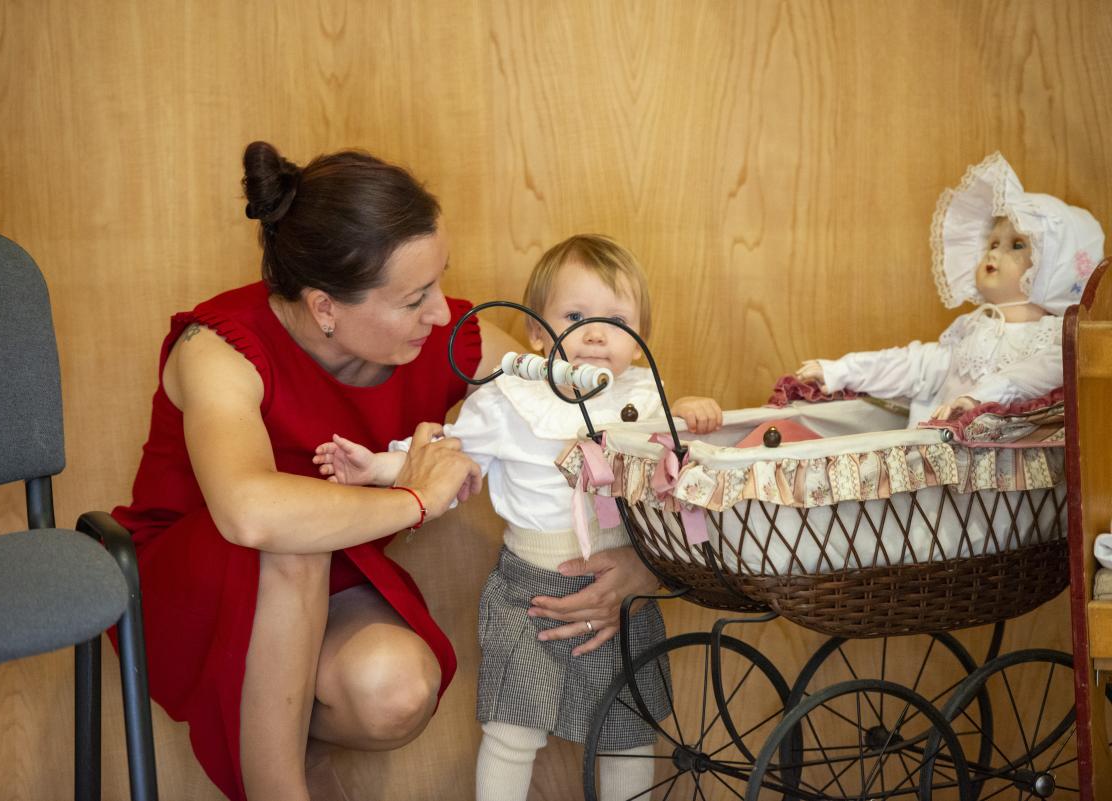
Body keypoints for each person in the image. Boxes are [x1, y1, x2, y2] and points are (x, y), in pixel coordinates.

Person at [110, 144, 662, 801]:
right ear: (325, 308)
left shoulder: (444, 338)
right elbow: (250, 513)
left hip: (331, 575)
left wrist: (642, 565)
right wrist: (417, 498)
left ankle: (280, 737)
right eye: (414, 298)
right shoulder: (218, 348)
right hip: (192, 586)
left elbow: (583, 426)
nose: (442, 312)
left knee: (396, 691)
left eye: (440, 281)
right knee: (294, 536)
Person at [314, 234, 723, 801]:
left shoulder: (644, 398)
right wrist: (379, 466)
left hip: (621, 591)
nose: (595, 334)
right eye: (575, 317)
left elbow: (672, 475)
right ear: (537, 332)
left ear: (640, 339)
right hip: (530, 589)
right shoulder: (511, 399)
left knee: (628, 731)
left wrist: (690, 415)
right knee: (512, 728)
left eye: (616, 322)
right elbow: (447, 457)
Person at [796, 151, 1105, 425]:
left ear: (1053, 265)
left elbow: (1025, 379)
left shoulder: (1057, 338)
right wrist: (841, 370)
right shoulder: (969, 330)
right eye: (992, 243)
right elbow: (915, 365)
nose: (994, 253)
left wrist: (977, 398)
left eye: (1016, 245)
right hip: (939, 459)